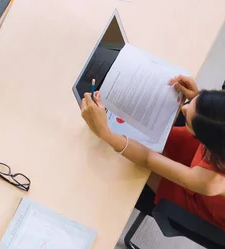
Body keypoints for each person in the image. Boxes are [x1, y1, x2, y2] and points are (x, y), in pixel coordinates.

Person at [81, 75, 225, 229]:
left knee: (127, 162)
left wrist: (106, 134)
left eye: (188, 120)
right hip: (209, 154)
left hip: (201, 197)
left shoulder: (211, 181)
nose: (184, 107)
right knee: (149, 136)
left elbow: (148, 158)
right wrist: (199, 100)